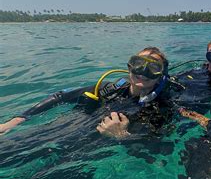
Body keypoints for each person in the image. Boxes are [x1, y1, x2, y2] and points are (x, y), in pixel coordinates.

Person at [0, 47, 176, 138]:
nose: (143, 71)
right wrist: (17, 120)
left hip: (90, 151)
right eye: (138, 63)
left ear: (162, 75)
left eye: (153, 67)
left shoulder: (161, 107)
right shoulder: (108, 89)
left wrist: (122, 136)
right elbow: (60, 97)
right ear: (129, 66)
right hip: (64, 129)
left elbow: (158, 147)